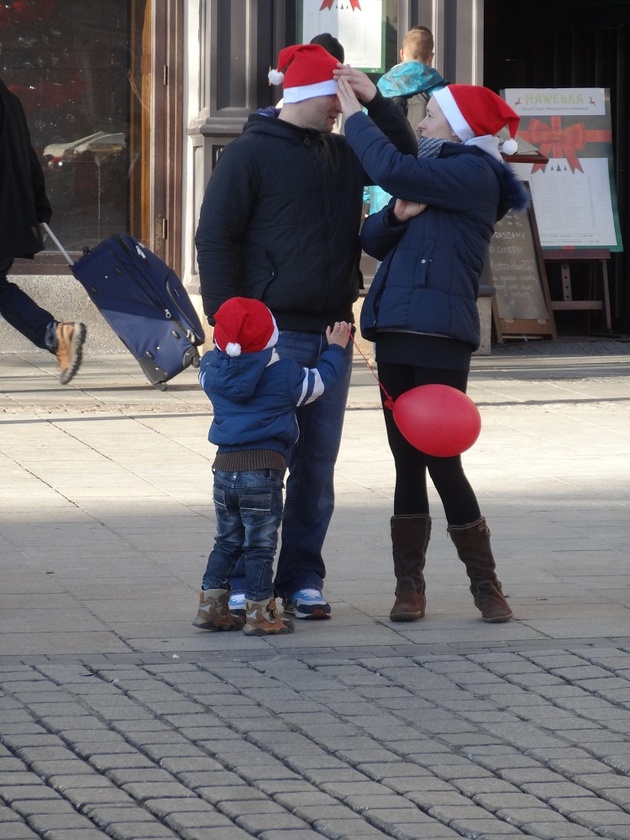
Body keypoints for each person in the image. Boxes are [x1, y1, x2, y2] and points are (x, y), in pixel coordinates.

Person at [195, 44, 417, 620]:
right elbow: (215, 237)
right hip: (268, 336)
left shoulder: (344, 153)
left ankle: (301, 578)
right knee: (259, 467)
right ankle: (248, 581)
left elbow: (403, 161)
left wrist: (378, 101)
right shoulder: (246, 155)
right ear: (309, 95)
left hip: (331, 330)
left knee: (317, 466)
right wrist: (226, 322)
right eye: (336, 100)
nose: (341, 112)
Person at [336, 71, 528, 623]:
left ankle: (485, 584)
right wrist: (395, 213)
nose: (422, 121)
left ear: (462, 127)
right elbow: (371, 239)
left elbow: (391, 164)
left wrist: (357, 116)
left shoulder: (473, 171)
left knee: (442, 457)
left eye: (432, 115)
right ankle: (409, 587)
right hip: (395, 327)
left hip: (441, 335)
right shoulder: (432, 172)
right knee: (405, 461)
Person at [192, 297, 351, 636]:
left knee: (226, 541)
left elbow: (204, 368)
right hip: (262, 475)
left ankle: (211, 606)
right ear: (272, 337)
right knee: (260, 547)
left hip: (223, 472)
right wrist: (335, 349)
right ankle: (261, 613)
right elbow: (322, 382)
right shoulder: (285, 376)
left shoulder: (212, 373)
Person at [0, 78, 86, 384]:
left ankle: (55, 335)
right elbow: (28, 155)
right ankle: (56, 336)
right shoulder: (9, 100)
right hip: (9, 213)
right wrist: (37, 205)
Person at [367, 25, 447, 215]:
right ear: (431, 56)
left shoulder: (374, 94)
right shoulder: (443, 96)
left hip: (382, 186)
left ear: (402, 54)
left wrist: (366, 195)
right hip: (426, 187)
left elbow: (365, 141)